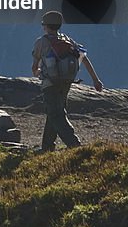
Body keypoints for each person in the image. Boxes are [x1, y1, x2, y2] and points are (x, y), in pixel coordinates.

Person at [31, 9, 104, 151]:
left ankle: (75, 146)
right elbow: (84, 58)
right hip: (66, 83)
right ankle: (47, 148)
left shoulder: (41, 42)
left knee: (56, 115)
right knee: (54, 112)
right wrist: (96, 80)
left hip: (50, 84)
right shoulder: (66, 40)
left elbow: (34, 68)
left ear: (45, 25)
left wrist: (38, 72)